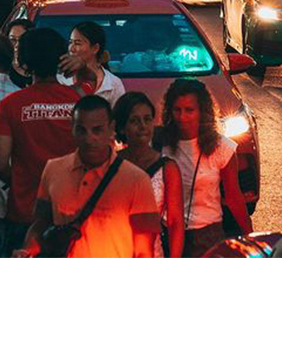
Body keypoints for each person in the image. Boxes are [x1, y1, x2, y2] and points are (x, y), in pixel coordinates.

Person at [24, 95, 158, 258]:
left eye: (97, 130)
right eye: (82, 130)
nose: (89, 139)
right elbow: (40, 224)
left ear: (111, 129)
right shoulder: (53, 169)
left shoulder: (137, 180)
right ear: (72, 128)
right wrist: (27, 251)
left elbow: (144, 250)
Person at [0, 27, 75, 253]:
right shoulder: (79, 100)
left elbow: (0, 163)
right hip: (73, 212)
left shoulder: (10, 105)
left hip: (24, 212)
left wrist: (19, 179)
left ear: (24, 62)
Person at [160, 79, 250, 258]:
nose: (182, 117)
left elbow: (233, 196)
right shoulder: (161, 145)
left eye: (189, 110)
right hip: (167, 233)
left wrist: (250, 234)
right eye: (177, 110)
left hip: (208, 234)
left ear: (203, 111)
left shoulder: (222, 148)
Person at [114, 90, 184, 259]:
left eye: (147, 119)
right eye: (134, 121)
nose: (143, 126)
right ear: (122, 128)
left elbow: (175, 223)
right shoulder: (111, 166)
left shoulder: (167, 168)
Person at [58, 17, 125, 108]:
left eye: (77, 43)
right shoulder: (61, 80)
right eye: (70, 42)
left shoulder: (113, 84)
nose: (71, 48)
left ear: (95, 48)